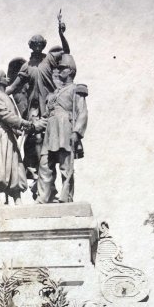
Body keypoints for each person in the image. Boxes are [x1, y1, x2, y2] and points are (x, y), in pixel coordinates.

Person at [6, 14, 70, 193]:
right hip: (34, 110)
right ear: (30, 46)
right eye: (34, 45)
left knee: (54, 146)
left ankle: (51, 186)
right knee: (37, 144)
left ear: (43, 45)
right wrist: (1, 92)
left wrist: (61, 34)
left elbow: (66, 51)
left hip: (51, 107)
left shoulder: (49, 59)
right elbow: (15, 86)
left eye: (40, 45)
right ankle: (40, 182)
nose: (36, 47)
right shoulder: (26, 66)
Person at [37, 54, 88, 203]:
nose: (59, 71)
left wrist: (76, 132)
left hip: (65, 128)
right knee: (45, 164)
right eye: (58, 69)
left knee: (66, 166)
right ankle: (43, 197)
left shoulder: (76, 89)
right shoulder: (54, 93)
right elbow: (48, 112)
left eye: (63, 68)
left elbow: (82, 112)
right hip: (51, 130)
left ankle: (66, 197)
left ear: (71, 71)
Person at [0, 68, 34, 206]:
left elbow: (14, 117)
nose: (7, 79)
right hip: (0, 135)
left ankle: (17, 197)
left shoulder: (8, 98)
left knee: (15, 166)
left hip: (10, 135)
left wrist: (20, 130)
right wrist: (23, 123)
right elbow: (6, 116)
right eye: (4, 76)